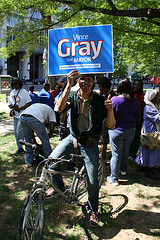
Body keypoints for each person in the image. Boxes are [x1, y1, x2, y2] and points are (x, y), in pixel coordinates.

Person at [45, 70, 116, 227]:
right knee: (51, 161)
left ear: (93, 82)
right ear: (78, 81)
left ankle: (93, 210)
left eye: (89, 79)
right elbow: (59, 108)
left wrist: (110, 110)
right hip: (72, 138)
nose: (85, 82)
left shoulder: (100, 100)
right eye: (82, 79)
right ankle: (60, 187)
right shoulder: (72, 95)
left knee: (92, 180)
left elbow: (111, 125)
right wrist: (68, 86)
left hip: (90, 143)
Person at [107, 78, 141, 186]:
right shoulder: (134, 100)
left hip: (117, 130)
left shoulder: (114, 100)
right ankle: (123, 170)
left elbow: (110, 117)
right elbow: (138, 116)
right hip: (131, 129)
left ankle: (114, 178)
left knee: (116, 154)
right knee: (126, 151)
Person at [18, 103, 56, 167]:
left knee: (27, 139)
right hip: (33, 118)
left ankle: (29, 162)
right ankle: (49, 161)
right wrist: (46, 139)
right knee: (44, 139)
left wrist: (35, 142)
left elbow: (31, 130)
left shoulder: (40, 108)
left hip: (22, 117)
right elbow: (51, 129)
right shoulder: (51, 112)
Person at [135, 90, 160, 180]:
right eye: (156, 97)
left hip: (148, 132)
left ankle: (142, 165)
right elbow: (158, 119)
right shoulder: (150, 108)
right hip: (151, 133)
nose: (158, 98)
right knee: (152, 150)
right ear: (152, 98)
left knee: (146, 150)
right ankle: (150, 170)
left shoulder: (150, 106)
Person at [8, 77, 32, 154]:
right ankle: (20, 148)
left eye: (17, 84)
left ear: (20, 84)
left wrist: (20, 108)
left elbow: (29, 103)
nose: (15, 85)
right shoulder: (12, 92)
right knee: (16, 132)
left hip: (23, 115)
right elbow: (11, 102)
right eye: (14, 84)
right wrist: (11, 106)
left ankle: (29, 145)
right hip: (15, 115)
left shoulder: (24, 92)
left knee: (20, 132)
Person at [97, 76, 115, 162]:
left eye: (100, 86)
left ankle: (103, 158)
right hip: (102, 120)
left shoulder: (111, 96)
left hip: (107, 120)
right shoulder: (103, 94)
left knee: (103, 140)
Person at [128, 80, 145, 161]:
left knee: (136, 137)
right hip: (130, 119)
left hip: (138, 119)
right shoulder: (130, 95)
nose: (136, 86)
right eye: (135, 85)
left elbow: (144, 107)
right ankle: (128, 152)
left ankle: (133, 153)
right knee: (129, 137)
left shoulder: (143, 96)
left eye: (138, 85)